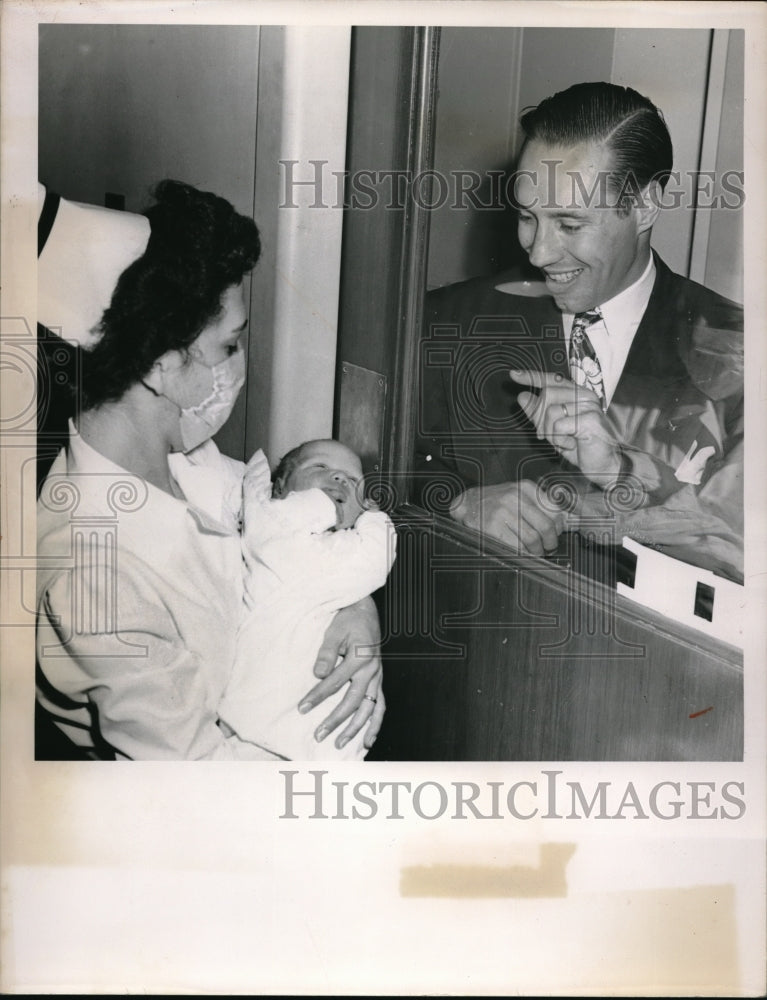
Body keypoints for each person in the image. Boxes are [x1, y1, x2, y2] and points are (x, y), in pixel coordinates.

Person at [36, 180, 385, 760]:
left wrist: (355, 610)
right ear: (161, 366)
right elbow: (199, 789)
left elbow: (291, 534)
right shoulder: (94, 569)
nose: (241, 365)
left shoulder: (185, 459)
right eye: (229, 346)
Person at [416, 82, 743, 584]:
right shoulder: (444, 322)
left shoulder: (742, 353)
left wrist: (618, 472)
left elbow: (745, 552)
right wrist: (453, 507)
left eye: (569, 225)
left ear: (646, 205)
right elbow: (370, 477)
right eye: (527, 218)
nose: (538, 252)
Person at [218, 439, 396, 761]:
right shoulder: (279, 527)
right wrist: (373, 516)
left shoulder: (323, 546)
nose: (340, 479)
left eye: (353, 480)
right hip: (273, 735)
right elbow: (373, 559)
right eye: (321, 468)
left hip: (276, 733)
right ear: (280, 487)